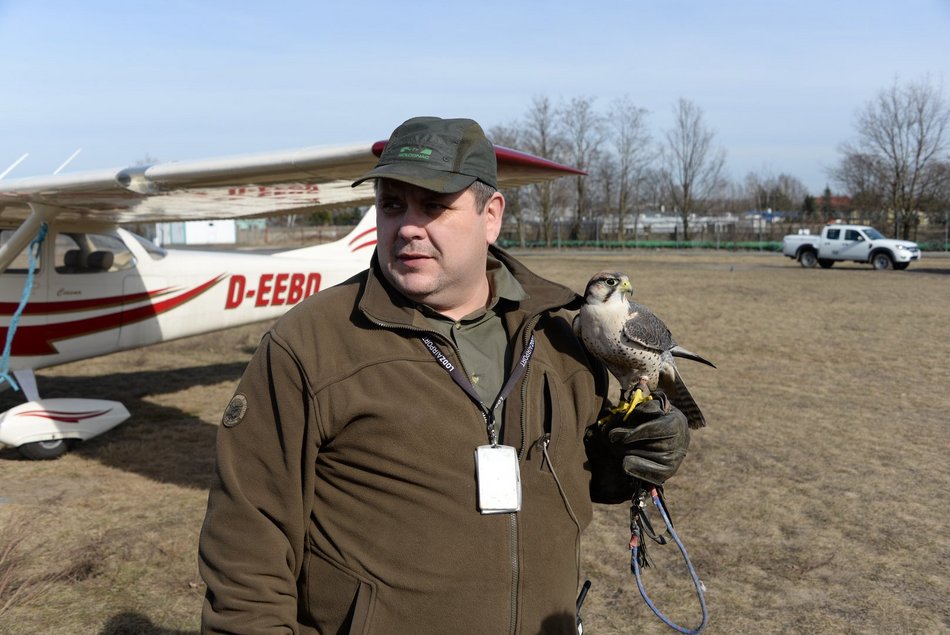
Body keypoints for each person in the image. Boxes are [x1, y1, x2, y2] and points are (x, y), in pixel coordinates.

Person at [198, 116, 690, 634]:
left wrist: (622, 461)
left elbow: (570, 476)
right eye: (391, 205)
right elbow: (245, 550)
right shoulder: (310, 346)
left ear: (491, 215)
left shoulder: (559, 335)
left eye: (434, 206)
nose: (408, 226)